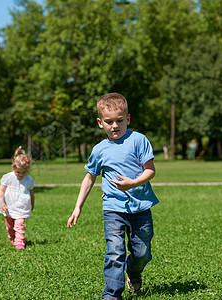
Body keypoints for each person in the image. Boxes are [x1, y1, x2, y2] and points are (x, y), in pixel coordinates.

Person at [67, 93, 159, 300]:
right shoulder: (99, 150)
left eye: (119, 120)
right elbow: (89, 178)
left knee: (142, 252)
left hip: (141, 208)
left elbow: (150, 170)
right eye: (109, 122)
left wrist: (133, 183)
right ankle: (111, 294)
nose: (114, 126)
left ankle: (133, 271)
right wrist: (78, 207)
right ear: (100, 123)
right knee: (115, 251)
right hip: (113, 209)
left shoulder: (139, 140)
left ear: (127, 119)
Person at [0, 146, 35, 250]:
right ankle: (13, 238)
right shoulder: (8, 177)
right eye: (18, 172)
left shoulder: (29, 180)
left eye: (24, 173)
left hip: (22, 208)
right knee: (10, 227)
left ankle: (20, 242)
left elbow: (31, 193)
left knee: (19, 225)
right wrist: (1, 202)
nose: (21, 175)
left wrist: (32, 204)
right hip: (8, 207)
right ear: (13, 168)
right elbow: (1, 191)